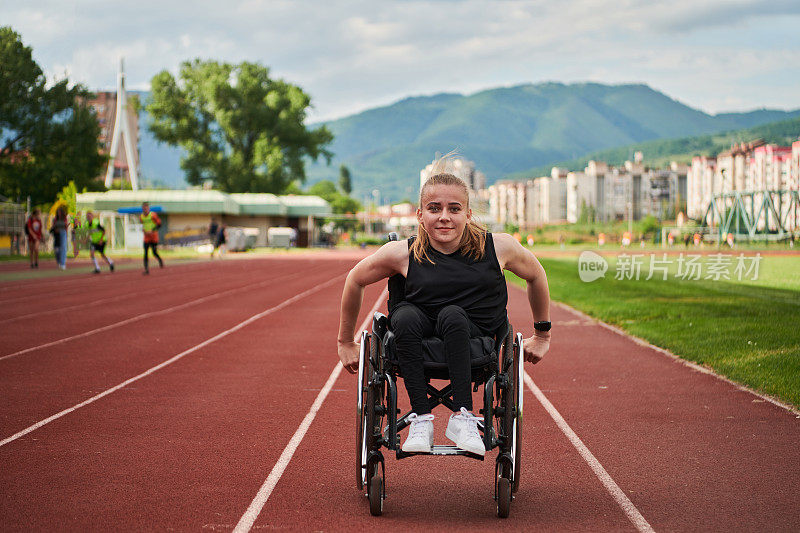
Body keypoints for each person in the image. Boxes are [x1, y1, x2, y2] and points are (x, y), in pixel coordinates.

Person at [337, 169, 551, 456]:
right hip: (416, 336)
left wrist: (541, 335)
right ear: (420, 215)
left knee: (453, 315)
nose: (444, 217)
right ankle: (420, 419)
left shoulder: (499, 247)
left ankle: (462, 416)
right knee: (404, 316)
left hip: (477, 338)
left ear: (468, 214)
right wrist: (345, 342)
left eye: (454, 209)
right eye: (434, 208)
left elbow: (536, 275)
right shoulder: (401, 253)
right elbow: (355, 278)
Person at [140, 202, 163, 274]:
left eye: (146, 208)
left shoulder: (153, 215)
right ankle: (146, 269)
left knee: (154, 252)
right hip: (146, 237)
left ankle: (160, 260)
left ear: (148, 208)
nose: (145, 209)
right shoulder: (141, 217)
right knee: (145, 253)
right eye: (144, 208)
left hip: (154, 237)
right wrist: (144, 230)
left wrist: (152, 230)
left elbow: (159, 224)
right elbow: (143, 225)